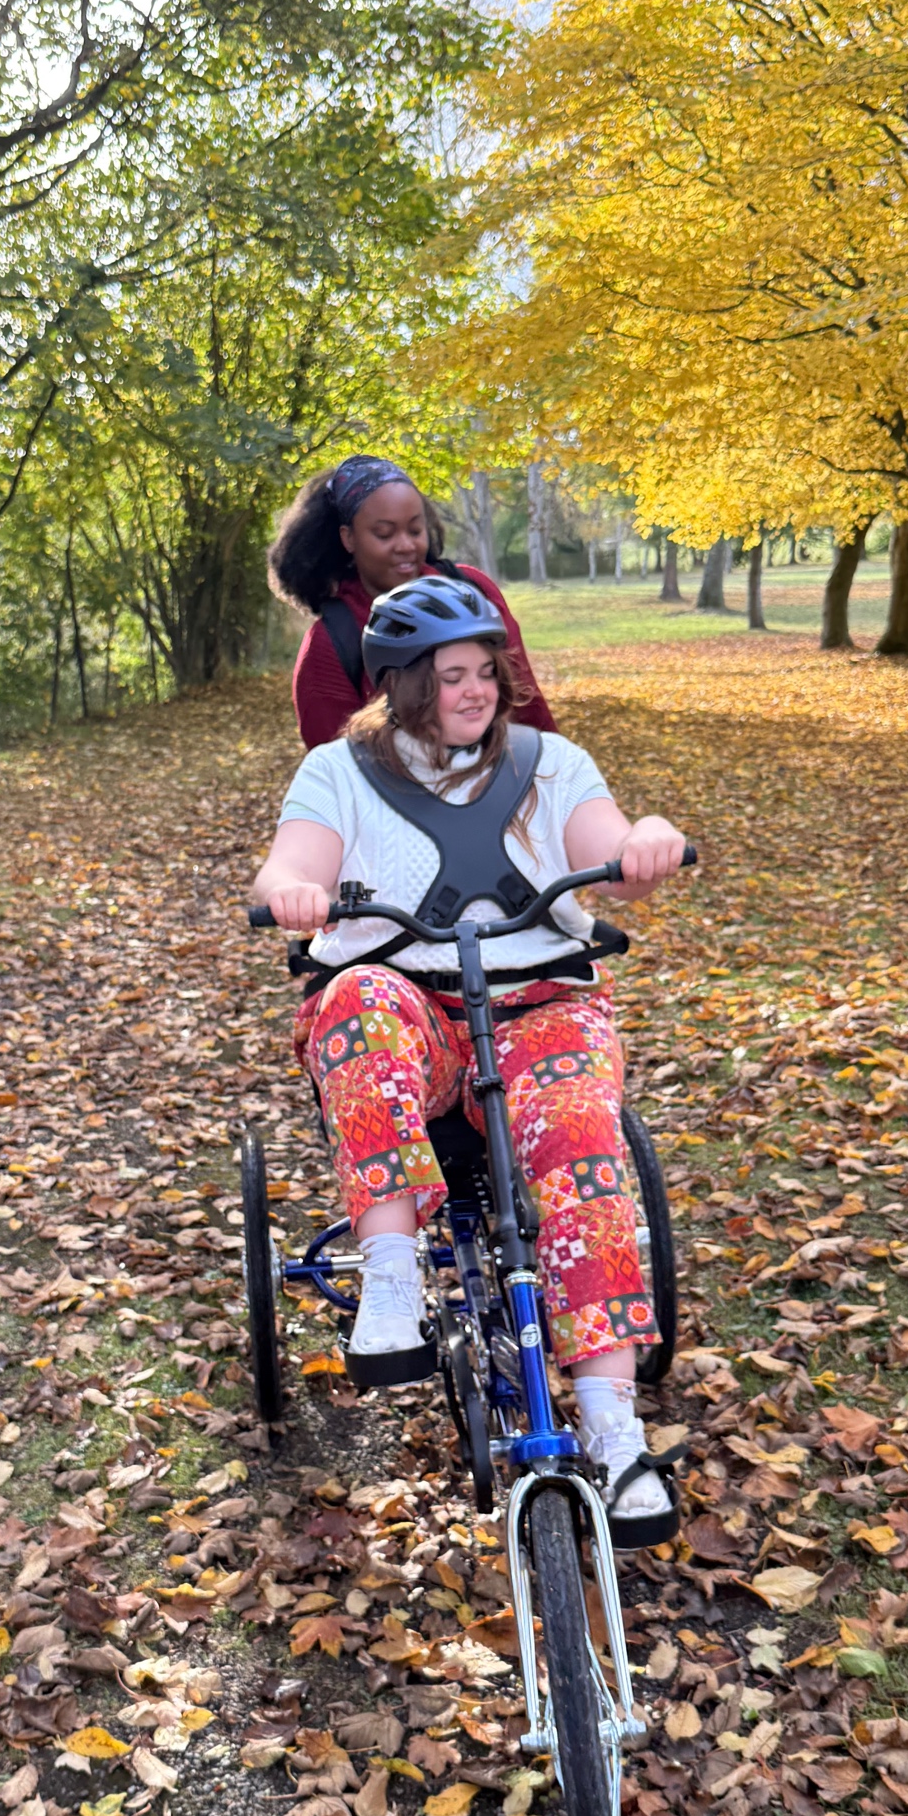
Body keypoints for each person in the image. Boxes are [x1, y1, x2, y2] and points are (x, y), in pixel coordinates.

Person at [250, 572, 688, 1544]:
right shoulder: (336, 772)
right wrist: (293, 891)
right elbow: (296, 859)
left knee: (581, 1145)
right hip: (410, 1013)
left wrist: (641, 845)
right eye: (452, 675)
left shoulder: (551, 763)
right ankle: (395, 1277)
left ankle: (615, 1433)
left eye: (486, 670)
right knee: (354, 999)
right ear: (400, 683)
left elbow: (605, 841)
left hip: (539, 1007)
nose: (477, 690)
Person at [269, 453, 559, 749]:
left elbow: (527, 703)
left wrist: (552, 774)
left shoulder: (472, 592)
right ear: (348, 538)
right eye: (384, 534)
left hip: (504, 784)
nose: (406, 546)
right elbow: (336, 770)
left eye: (415, 530)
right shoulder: (331, 644)